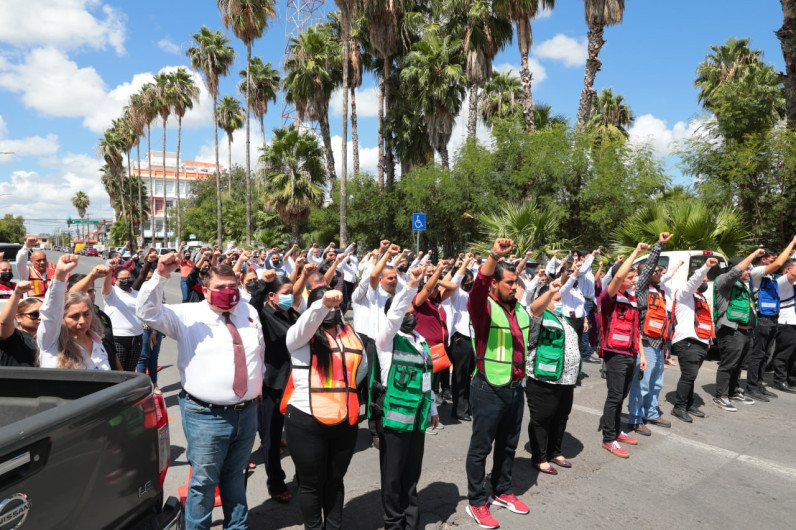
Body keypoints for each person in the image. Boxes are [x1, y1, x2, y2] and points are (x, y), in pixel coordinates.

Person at [136, 256, 265, 530]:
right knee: (204, 483)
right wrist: (160, 275)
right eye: (220, 287)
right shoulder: (187, 315)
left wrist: (258, 387)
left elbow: (257, 355)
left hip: (247, 412)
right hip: (207, 416)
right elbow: (147, 312)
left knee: (234, 476)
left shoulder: (248, 312)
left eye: (232, 285)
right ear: (205, 290)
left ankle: (237, 527)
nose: (228, 291)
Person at [282, 286, 367, 530]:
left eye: (335, 306)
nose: (332, 310)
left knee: (335, 480)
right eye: (325, 305)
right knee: (311, 483)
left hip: (345, 419)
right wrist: (321, 305)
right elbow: (307, 324)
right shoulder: (300, 334)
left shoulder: (352, 335)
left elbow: (360, 371)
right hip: (306, 420)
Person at [465, 238, 530, 530]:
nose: (514, 287)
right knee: (481, 448)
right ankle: (477, 502)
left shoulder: (517, 308)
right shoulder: (483, 307)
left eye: (516, 283)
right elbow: (478, 286)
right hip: (488, 388)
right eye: (508, 283)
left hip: (516, 388)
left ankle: (502, 490)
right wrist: (493, 255)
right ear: (494, 284)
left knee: (508, 445)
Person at [370, 267, 439, 530]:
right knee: (393, 476)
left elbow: (426, 379)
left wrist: (432, 408)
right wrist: (410, 285)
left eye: (412, 314)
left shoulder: (420, 341)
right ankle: (394, 523)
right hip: (395, 420)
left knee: (412, 474)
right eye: (405, 314)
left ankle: (411, 523)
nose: (410, 318)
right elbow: (396, 314)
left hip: (418, 417)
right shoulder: (386, 340)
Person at [248, 265, 311, 503]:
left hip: (297, 384)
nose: (288, 297)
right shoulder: (262, 316)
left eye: (290, 292)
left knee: (301, 436)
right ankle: (275, 483)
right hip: (272, 386)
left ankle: (303, 478)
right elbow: (251, 306)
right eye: (283, 292)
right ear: (272, 297)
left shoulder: (294, 315)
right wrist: (263, 284)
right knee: (272, 439)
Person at [597, 242, 649, 458]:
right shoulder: (608, 298)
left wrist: (642, 354)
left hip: (630, 354)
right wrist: (635, 252)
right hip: (614, 354)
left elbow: (636, 330)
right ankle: (609, 439)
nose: (633, 279)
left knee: (622, 395)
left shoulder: (632, 299)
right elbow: (617, 278)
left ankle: (616, 431)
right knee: (615, 396)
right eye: (630, 276)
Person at [524, 278, 580, 476]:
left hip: (566, 380)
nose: (560, 301)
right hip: (544, 379)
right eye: (555, 299)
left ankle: (554, 451)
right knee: (542, 418)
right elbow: (533, 310)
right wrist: (549, 292)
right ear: (544, 298)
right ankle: (539, 457)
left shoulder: (562, 318)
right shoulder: (538, 317)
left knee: (560, 417)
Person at [627, 233, 673, 436]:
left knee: (656, 383)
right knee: (642, 384)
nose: (659, 272)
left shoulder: (659, 291)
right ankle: (636, 418)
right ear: (645, 272)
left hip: (658, 343)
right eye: (655, 270)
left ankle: (651, 412)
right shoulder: (642, 288)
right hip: (645, 343)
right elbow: (647, 270)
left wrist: (665, 346)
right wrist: (659, 245)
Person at [712, 249, 766, 411]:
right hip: (731, 332)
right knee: (728, 364)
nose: (749, 272)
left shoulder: (743, 286)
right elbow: (734, 273)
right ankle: (721, 396)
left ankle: (733, 391)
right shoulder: (723, 281)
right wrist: (754, 255)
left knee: (738, 365)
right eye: (747, 268)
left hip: (746, 332)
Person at [37, 254, 111, 370]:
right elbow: (51, 313)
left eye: (86, 314)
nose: (82, 321)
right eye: (74, 316)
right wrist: (60, 275)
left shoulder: (97, 341)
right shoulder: (51, 342)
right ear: (61, 317)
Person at [746, 237, 796, 401]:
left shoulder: (772, 277)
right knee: (758, 354)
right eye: (771, 255)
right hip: (762, 318)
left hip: (773, 319)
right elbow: (782, 266)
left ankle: (759, 384)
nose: (775, 257)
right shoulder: (757, 272)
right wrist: (791, 243)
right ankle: (751, 386)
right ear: (763, 259)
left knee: (766, 355)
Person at [670, 257, 719, 422]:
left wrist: (708, 342)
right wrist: (705, 267)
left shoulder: (702, 298)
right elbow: (694, 280)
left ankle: (689, 403)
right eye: (703, 278)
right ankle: (679, 407)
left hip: (701, 342)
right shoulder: (684, 294)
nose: (705, 281)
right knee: (688, 375)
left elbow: (707, 321)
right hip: (687, 342)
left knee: (692, 376)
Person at [102, 258, 146, 371]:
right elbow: (106, 285)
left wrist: (153, 331)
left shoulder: (137, 294)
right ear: (116, 280)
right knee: (118, 372)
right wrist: (108, 271)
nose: (126, 280)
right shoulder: (111, 293)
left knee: (130, 371)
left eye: (129, 278)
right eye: (123, 279)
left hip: (136, 338)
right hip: (118, 338)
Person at [447, 256, 476, 422]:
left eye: (471, 280)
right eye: (467, 280)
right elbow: (456, 280)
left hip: (473, 338)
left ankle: (467, 406)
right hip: (460, 337)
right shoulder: (457, 294)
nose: (469, 283)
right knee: (460, 375)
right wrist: (464, 263)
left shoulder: (472, 295)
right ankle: (459, 409)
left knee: (470, 375)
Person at [0, 281, 40, 366]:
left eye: (43, 314)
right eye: (34, 314)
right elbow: (4, 323)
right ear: (18, 317)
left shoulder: (47, 340)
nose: (40, 317)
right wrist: (17, 293)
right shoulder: (14, 337)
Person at [771, 258, 796, 393]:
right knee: (784, 353)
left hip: (794, 322)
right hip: (786, 323)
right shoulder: (782, 282)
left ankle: (791, 379)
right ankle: (779, 380)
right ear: (788, 270)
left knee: (793, 355)